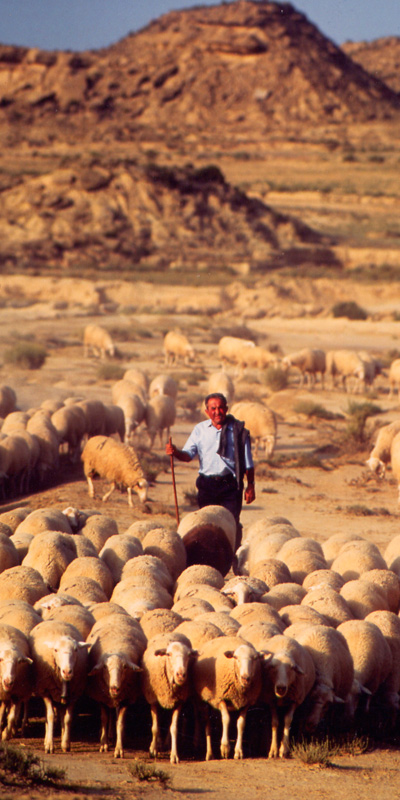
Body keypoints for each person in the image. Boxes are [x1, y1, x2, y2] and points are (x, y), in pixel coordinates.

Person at [165, 392, 255, 550]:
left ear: (226, 409)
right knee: (206, 523)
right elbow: (187, 456)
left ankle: (232, 556)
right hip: (207, 485)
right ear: (207, 411)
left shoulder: (239, 431)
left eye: (220, 408)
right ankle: (210, 557)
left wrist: (251, 486)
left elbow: (248, 462)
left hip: (230, 485)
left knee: (231, 523)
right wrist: (175, 452)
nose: (217, 412)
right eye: (213, 408)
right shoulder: (200, 430)